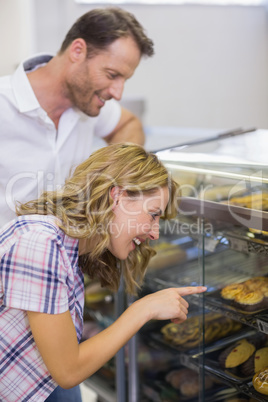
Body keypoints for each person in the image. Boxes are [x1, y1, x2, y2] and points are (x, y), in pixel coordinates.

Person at [0, 143, 207, 402]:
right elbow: (67, 370)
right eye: (153, 215)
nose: (155, 233)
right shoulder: (40, 244)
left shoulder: (67, 246)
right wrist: (143, 309)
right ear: (116, 197)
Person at [0, 7, 154, 227]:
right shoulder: (3, 104)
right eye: (112, 75)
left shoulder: (88, 102)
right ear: (78, 51)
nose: (117, 93)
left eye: (124, 80)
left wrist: (111, 176)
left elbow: (129, 124)